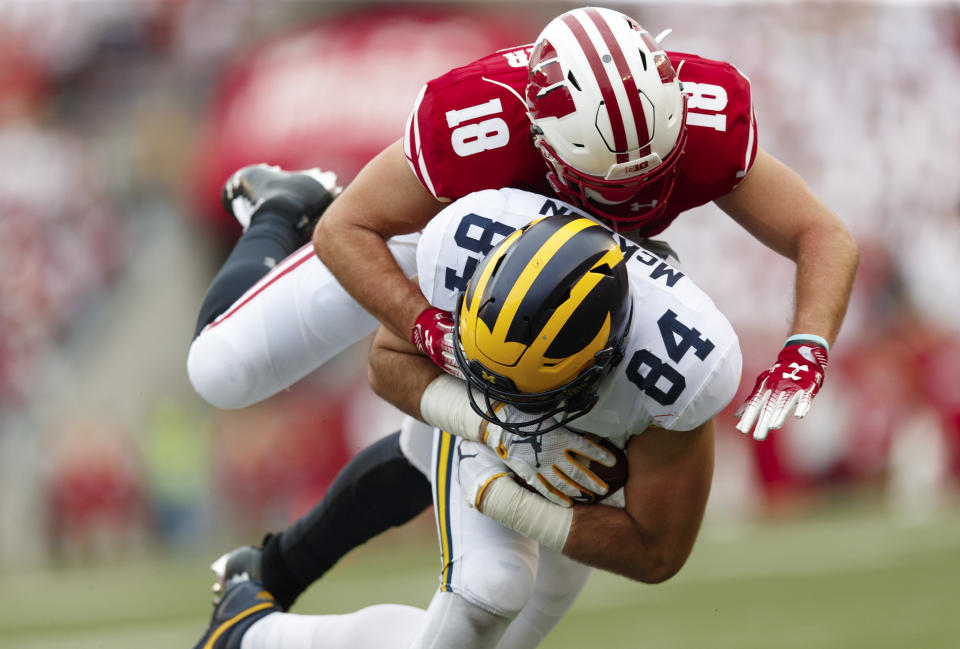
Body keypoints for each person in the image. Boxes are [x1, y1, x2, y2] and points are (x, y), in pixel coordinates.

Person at [186, 1, 856, 641]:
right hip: (450, 250)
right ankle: (280, 205)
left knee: (475, 581)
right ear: (539, 134)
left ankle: (262, 590)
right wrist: (430, 331)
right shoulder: (476, 121)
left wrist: (807, 345)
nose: (636, 202)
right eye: (607, 189)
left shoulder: (704, 117)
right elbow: (347, 231)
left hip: (565, 296)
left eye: (658, 173)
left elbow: (821, 232)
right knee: (221, 369)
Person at [191, 187, 742, 649]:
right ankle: (253, 629)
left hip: (576, 455)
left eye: (532, 390)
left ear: (605, 361)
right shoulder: (467, 243)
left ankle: (248, 620)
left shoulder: (679, 365)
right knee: (490, 588)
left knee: (496, 638)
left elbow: (658, 551)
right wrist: (493, 427)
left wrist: (518, 505)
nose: (511, 399)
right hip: (472, 401)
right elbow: (386, 364)